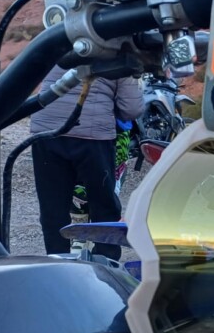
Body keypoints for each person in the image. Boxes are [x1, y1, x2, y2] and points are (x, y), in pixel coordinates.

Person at [30, 66, 143, 260]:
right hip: (93, 135)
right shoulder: (123, 55)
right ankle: (106, 261)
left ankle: (57, 262)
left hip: (46, 131)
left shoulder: (59, 46)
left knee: (52, 208)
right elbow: (131, 109)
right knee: (103, 205)